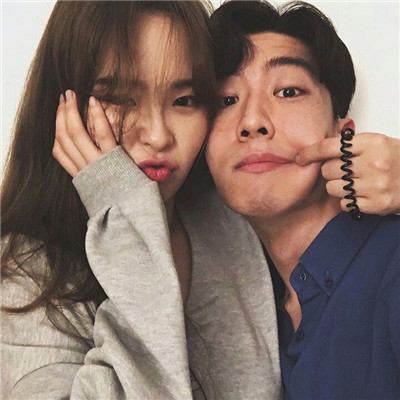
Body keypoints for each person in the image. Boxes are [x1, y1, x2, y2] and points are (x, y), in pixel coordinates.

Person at [1, 1, 400, 400]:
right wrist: (122, 214)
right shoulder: (26, 279)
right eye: (120, 98)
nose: (158, 135)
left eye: (185, 100)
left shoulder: (232, 225)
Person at [206, 1, 400, 399]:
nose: (252, 121)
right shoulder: (244, 318)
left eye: (288, 91)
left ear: (343, 134)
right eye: (226, 100)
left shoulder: (392, 267)